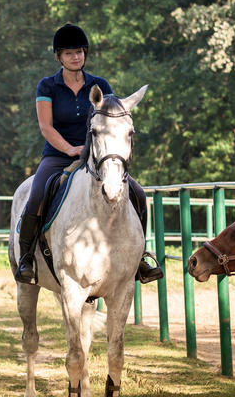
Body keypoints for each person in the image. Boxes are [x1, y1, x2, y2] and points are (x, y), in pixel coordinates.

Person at [14, 23, 164, 285]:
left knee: (139, 195)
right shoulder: (47, 86)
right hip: (58, 155)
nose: (76, 57)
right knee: (36, 194)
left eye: (80, 52)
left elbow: (112, 122)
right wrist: (71, 149)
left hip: (97, 155)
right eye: (69, 53)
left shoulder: (100, 85)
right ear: (59, 57)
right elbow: (46, 127)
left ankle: (139, 259)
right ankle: (27, 257)